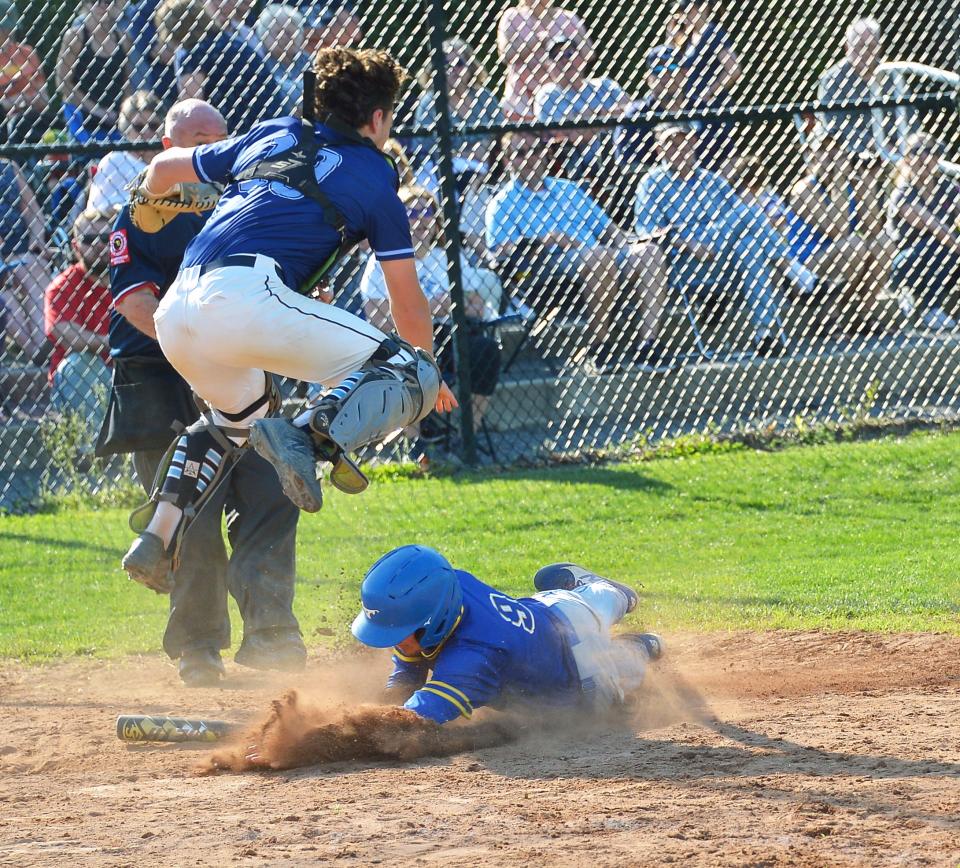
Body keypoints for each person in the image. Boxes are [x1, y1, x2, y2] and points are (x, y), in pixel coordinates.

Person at [120, 48, 456, 592]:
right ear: (376, 120)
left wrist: (150, 202)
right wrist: (427, 375)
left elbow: (159, 170)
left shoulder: (274, 133)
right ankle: (306, 432)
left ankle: (157, 535)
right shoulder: (375, 175)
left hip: (177, 312)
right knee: (409, 370)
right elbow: (409, 305)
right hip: (243, 296)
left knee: (234, 421)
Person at [98, 98, 307, 684]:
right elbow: (135, 301)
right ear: (169, 150)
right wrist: (200, 342)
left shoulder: (257, 208)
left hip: (247, 372)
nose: (208, 148)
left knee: (272, 493)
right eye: (194, 138)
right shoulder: (143, 212)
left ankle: (272, 634)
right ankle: (197, 647)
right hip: (166, 377)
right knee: (194, 510)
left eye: (217, 137)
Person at [351, 546, 664, 724]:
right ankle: (614, 601)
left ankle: (639, 644)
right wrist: (395, 691)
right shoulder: (449, 583)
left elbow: (413, 720)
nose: (395, 641)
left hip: (585, 681)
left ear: (433, 623)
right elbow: (409, 666)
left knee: (619, 681)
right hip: (550, 612)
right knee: (593, 604)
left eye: (401, 632)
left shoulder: (472, 659)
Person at [486, 131, 668, 368]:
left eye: (537, 150)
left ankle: (648, 347)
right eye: (521, 153)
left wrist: (633, 245)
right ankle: (599, 348)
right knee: (599, 256)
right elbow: (499, 252)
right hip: (544, 271)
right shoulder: (502, 203)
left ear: (546, 154)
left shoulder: (568, 189)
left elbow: (607, 230)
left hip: (598, 257)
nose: (531, 158)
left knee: (649, 253)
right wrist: (547, 240)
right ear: (508, 160)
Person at [634, 124, 819, 355]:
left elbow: (742, 222)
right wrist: (688, 243)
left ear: (694, 143)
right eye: (671, 144)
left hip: (724, 261)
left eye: (684, 141)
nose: (680, 149)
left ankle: (765, 336)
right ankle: (797, 275)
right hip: (684, 263)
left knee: (749, 244)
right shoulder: (650, 183)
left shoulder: (712, 181)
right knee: (748, 213)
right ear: (659, 150)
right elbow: (648, 231)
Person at [360, 184, 502, 446]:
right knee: (412, 356)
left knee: (486, 351)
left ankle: (466, 435)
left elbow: (476, 306)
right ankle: (415, 442)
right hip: (400, 338)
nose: (422, 219)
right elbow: (377, 320)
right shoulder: (381, 261)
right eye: (412, 213)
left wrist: (435, 306)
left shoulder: (447, 256)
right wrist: (430, 307)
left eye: (428, 212)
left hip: (450, 336)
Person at [785, 132, 889, 336]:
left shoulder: (848, 185)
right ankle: (828, 318)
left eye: (835, 148)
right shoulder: (803, 189)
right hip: (807, 268)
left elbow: (875, 230)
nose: (831, 154)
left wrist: (867, 184)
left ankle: (864, 316)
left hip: (843, 259)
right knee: (853, 244)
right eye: (823, 149)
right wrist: (840, 180)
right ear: (811, 155)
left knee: (884, 243)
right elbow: (838, 231)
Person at [156, 0, 286, 133]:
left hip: (238, 131)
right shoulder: (235, 43)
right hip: (273, 120)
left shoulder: (193, 55)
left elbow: (191, 109)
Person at [43, 208, 114, 433]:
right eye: (89, 239)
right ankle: (94, 452)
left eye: (105, 238)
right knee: (78, 364)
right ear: (75, 246)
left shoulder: (131, 280)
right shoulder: (62, 287)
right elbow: (67, 335)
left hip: (126, 372)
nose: (99, 245)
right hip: (86, 381)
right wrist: (118, 342)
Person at [886, 133, 960, 331]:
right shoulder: (903, 192)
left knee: (946, 247)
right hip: (906, 262)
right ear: (907, 159)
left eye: (929, 151)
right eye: (915, 152)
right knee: (937, 244)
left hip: (947, 257)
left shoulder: (948, 188)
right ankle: (930, 308)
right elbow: (934, 226)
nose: (922, 157)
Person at [817, 17, 913, 157]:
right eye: (860, 46)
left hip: (897, 150)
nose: (866, 52)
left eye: (871, 46)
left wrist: (909, 147)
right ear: (847, 47)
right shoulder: (832, 80)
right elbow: (837, 127)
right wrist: (879, 145)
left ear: (880, 47)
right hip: (849, 153)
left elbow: (910, 119)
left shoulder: (893, 76)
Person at [672, 0, 742, 173]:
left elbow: (733, 69)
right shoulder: (688, 38)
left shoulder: (712, 32)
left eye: (689, 10)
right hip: (694, 112)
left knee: (720, 162)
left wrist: (710, 91)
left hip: (714, 110)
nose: (685, 15)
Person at [496, 0, 589, 121]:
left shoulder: (567, 18)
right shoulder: (513, 16)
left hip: (562, 101)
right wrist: (536, 41)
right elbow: (505, 55)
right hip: (521, 102)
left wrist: (566, 49)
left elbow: (588, 52)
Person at [0, 158, 54, 363]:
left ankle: (42, 344)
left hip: (20, 247)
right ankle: (38, 352)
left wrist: (36, 239)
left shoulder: (8, 168)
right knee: (2, 286)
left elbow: (33, 212)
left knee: (34, 268)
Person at [55, 0, 131, 142]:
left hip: (116, 117)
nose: (101, 5)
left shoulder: (123, 39)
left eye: (108, 2)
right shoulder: (75, 37)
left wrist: (123, 112)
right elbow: (62, 82)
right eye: (95, 1)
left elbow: (126, 83)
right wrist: (95, 110)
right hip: (82, 114)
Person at [87, 91, 164, 212]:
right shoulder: (115, 161)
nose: (147, 131)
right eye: (138, 127)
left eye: (153, 126)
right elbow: (96, 211)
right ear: (126, 130)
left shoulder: (170, 159)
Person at [0, 0, 50, 144]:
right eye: (3, 28)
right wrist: (20, 100)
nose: (9, 32)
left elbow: (44, 98)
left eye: (10, 28)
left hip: (31, 117)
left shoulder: (27, 53)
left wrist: (16, 101)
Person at [255, 4, 311, 115]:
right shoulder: (259, 63)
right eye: (278, 32)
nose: (284, 37)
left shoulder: (308, 60)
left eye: (290, 32)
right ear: (263, 35)